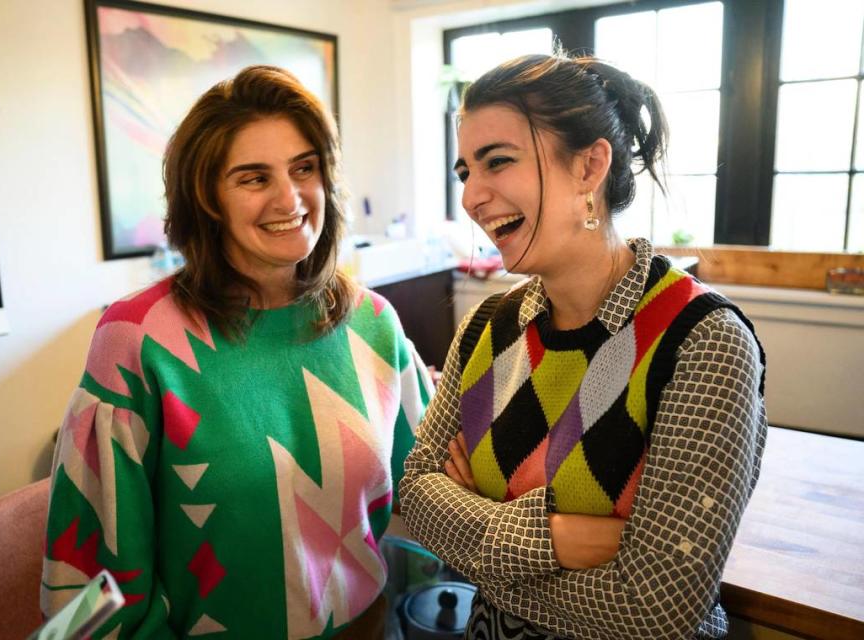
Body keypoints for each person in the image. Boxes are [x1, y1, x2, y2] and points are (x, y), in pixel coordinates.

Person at [41, 65, 433, 639]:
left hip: (366, 625)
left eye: (305, 168)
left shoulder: (372, 322)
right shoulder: (137, 339)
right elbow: (90, 578)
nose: (290, 197)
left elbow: (429, 485)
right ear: (206, 199)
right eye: (253, 178)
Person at [400, 52, 767, 640]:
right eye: (466, 171)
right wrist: (557, 538)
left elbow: (655, 610)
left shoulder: (701, 341)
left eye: (498, 161)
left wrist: (477, 538)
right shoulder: (488, 327)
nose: (471, 197)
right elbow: (417, 493)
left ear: (591, 165)